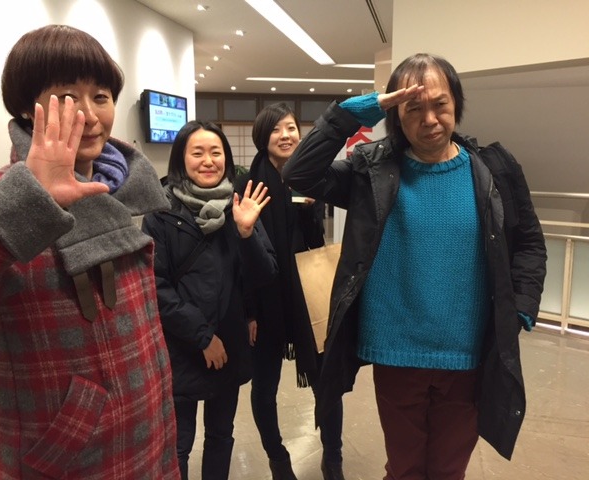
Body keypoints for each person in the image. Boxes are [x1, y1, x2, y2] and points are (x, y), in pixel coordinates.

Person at [282, 53, 547, 480]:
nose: (430, 119)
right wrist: (350, 115)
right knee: (404, 469)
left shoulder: (494, 170)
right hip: (396, 351)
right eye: (413, 109)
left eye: (440, 104)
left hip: (469, 353)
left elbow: (530, 243)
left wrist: (517, 310)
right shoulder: (372, 171)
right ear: (396, 116)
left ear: (456, 104)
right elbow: (299, 173)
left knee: (448, 471)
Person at [0, 25, 180, 479]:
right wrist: (29, 200)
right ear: (27, 107)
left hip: (148, 438)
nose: (91, 115)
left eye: (101, 96)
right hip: (63, 458)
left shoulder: (123, 190)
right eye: (68, 97)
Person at [141, 120, 278, 480]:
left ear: (226, 159)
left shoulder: (239, 206)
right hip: (181, 346)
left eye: (216, 152)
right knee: (178, 444)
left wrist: (247, 234)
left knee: (220, 435)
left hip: (229, 343)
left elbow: (264, 275)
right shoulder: (161, 213)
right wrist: (202, 337)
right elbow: (155, 285)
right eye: (197, 152)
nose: (208, 161)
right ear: (181, 159)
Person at [237, 103, 344, 480]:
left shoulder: (309, 178)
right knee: (264, 388)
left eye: (291, 128)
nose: (285, 136)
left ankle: (333, 457)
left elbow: (315, 246)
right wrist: (249, 311)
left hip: (307, 300)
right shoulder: (249, 185)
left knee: (326, 382)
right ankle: (278, 459)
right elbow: (240, 255)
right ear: (262, 138)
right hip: (266, 303)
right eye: (276, 129)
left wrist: (310, 211)